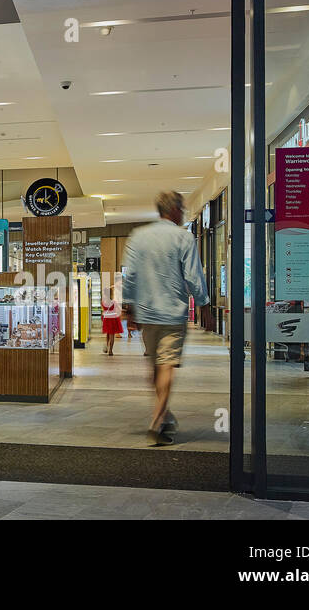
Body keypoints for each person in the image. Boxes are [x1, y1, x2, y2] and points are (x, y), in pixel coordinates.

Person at [122, 191, 209, 446]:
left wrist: (129, 308)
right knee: (167, 364)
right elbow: (193, 276)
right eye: (181, 208)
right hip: (172, 312)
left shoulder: (138, 236)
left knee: (155, 366)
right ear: (174, 211)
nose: (182, 212)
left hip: (147, 313)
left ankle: (165, 415)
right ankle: (156, 421)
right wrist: (203, 304)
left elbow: (130, 275)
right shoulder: (183, 237)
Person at [100, 288, 123, 355]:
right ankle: (110, 350)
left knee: (108, 334)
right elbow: (119, 309)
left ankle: (106, 346)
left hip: (106, 319)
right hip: (113, 319)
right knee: (112, 335)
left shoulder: (103, 302)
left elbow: (103, 309)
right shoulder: (113, 302)